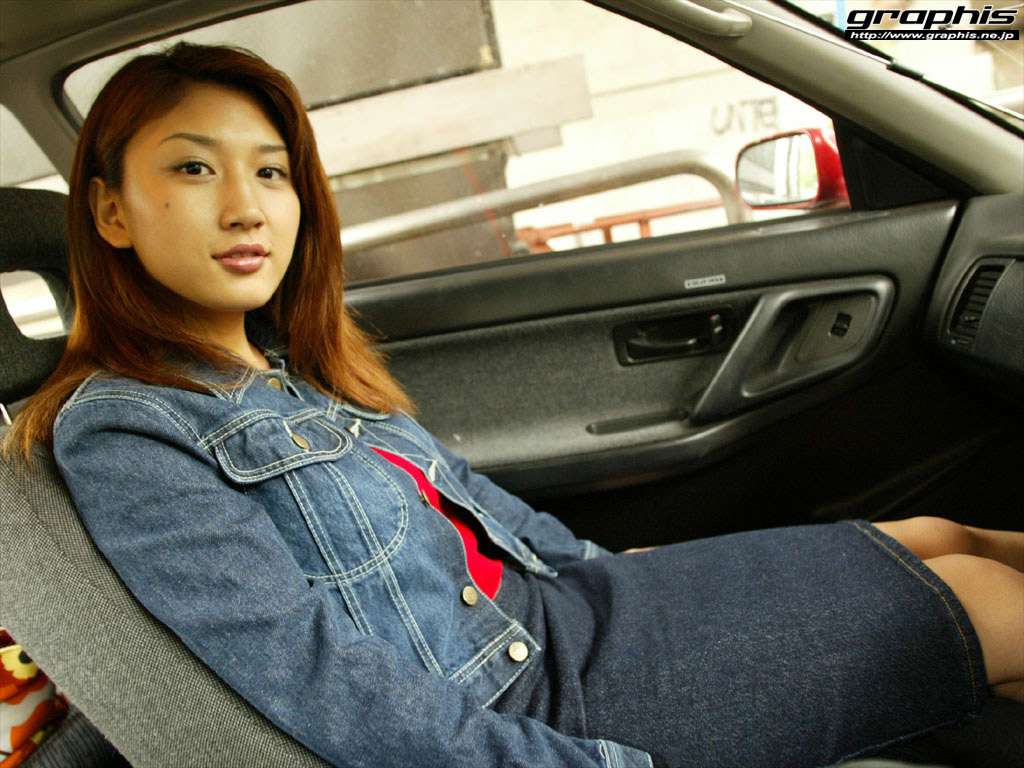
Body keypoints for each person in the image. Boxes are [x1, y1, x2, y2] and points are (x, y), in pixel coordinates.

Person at [3, 43, 1022, 768]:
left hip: (567, 613)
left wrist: (624, 572)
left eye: (271, 172)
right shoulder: (127, 429)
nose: (245, 207)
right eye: (193, 168)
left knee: (942, 535)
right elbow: (322, 683)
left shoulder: (286, 370)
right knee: (985, 598)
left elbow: (478, 511)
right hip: (534, 700)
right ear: (110, 211)